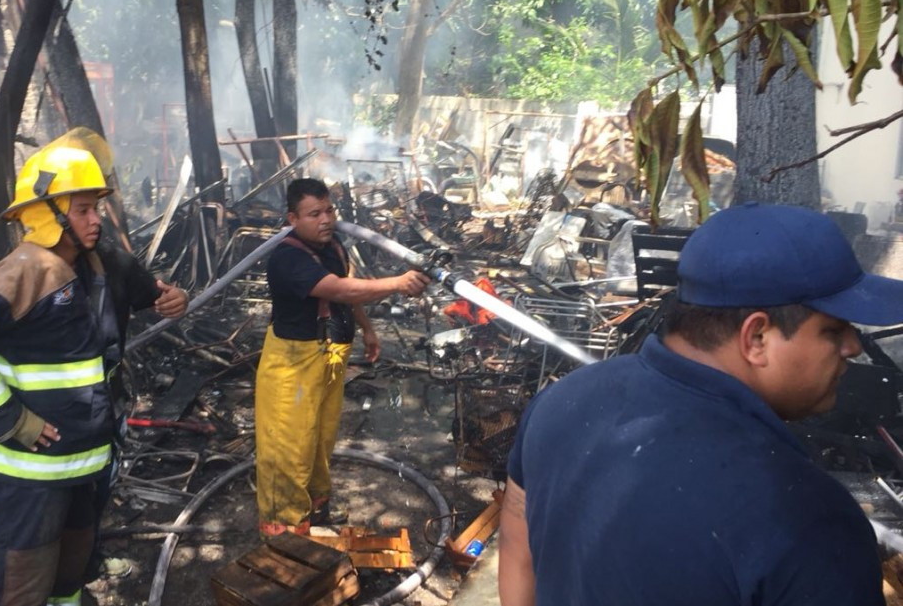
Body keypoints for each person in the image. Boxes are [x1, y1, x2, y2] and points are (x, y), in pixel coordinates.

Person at [498, 203, 903, 606]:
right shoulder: (808, 518)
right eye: (833, 329)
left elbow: (519, 560)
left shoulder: (562, 401)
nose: (852, 346)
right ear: (757, 337)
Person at [0, 143, 183, 606]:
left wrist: (172, 298)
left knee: (70, 579)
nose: (95, 219)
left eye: (96, 208)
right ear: (46, 214)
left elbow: (153, 293)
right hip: (30, 475)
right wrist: (9, 420)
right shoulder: (24, 271)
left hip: (84, 464)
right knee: (20, 588)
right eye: (82, 209)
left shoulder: (105, 263)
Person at [255, 178, 431, 537]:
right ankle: (284, 535)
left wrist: (366, 329)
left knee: (319, 440)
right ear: (293, 218)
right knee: (287, 449)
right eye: (314, 214)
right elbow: (337, 288)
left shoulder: (332, 245)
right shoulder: (288, 258)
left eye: (329, 210)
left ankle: (315, 511)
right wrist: (397, 283)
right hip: (292, 363)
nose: (325, 219)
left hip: (328, 356)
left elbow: (345, 291)